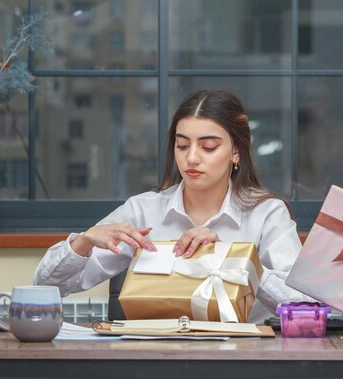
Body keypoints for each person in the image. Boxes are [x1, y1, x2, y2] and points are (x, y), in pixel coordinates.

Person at [34, 89, 310, 323]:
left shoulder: (267, 213)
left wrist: (234, 257)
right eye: (182, 145)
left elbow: (305, 308)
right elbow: (46, 288)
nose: (191, 158)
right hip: (153, 361)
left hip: (235, 364)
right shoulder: (143, 210)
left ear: (236, 151)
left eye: (208, 147)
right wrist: (84, 241)